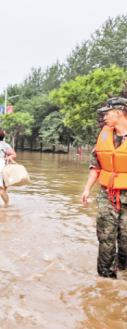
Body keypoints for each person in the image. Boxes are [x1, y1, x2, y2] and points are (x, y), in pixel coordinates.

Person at [81, 97, 127, 279]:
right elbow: (96, 166)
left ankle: (122, 274)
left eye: (107, 113)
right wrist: (86, 189)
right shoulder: (105, 135)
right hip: (107, 195)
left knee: (125, 242)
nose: (104, 117)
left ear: (118, 113)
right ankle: (105, 282)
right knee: (106, 239)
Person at [0, 128, 17, 206]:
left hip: (3, 171)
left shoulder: (4, 145)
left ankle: (7, 206)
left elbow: (13, 155)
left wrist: (4, 158)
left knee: (2, 192)